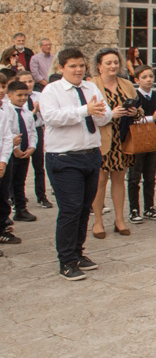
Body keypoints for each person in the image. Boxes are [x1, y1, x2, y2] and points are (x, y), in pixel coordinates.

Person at [39, 48, 113, 279]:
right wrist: (84, 110)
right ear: (61, 68)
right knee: (70, 209)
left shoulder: (91, 88)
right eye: (72, 66)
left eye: (81, 65)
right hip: (64, 157)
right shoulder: (52, 90)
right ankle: (67, 260)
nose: (78, 70)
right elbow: (52, 117)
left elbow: (105, 115)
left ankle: (78, 252)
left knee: (83, 208)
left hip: (90, 154)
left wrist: (100, 113)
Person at [89, 47, 138, 238]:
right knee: (100, 181)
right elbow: (89, 112)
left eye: (116, 62)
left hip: (122, 138)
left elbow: (138, 107)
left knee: (119, 180)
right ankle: (98, 221)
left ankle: (119, 219)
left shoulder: (126, 84)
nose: (113, 66)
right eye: (108, 63)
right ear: (99, 66)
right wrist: (111, 114)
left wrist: (135, 112)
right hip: (101, 138)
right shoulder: (91, 85)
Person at [127, 65, 156, 224]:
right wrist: (152, 118)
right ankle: (133, 209)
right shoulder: (133, 96)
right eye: (144, 77)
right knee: (134, 176)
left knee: (150, 175)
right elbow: (132, 119)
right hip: (137, 139)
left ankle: (149, 206)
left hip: (153, 137)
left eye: (151, 76)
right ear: (137, 80)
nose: (148, 80)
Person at [6, 74, 38, 223]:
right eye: (19, 95)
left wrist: (32, 147)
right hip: (11, 153)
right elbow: (9, 132)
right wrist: (15, 149)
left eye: (25, 95)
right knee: (7, 183)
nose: (23, 98)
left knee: (20, 182)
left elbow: (32, 131)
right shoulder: (7, 112)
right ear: (10, 95)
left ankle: (21, 209)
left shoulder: (27, 112)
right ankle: (5, 213)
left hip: (24, 152)